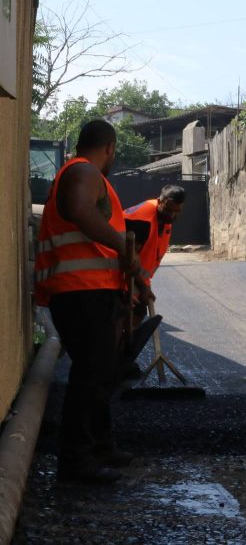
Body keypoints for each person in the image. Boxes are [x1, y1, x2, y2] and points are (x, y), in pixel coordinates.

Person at [34, 119, 141, 483]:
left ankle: (99, 446)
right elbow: (80, 210)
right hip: (82, 291)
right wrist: (121, 246)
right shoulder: (83, 171)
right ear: (109, 147)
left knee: (100, 372)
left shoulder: (77, 172)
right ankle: (76, 462)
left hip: (86, 290)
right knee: (90, 375)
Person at [121, 185, 186, 377]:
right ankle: (116, 364)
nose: (172, 215)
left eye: (177, 211)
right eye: (168, 209)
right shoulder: (141, 220)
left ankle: (123, 360)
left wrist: (145, 286)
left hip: (135, 278)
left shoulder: (164, 220)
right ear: (161, 200)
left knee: (137, 312)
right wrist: (142, 287)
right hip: (117, 276)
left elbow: (147, 258)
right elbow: (129, 259)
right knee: (122, 318)